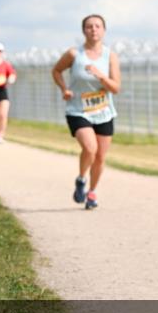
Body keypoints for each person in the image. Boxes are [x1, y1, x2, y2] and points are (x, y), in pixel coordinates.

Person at [52, 14, 122, 210]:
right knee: (90, 149)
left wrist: (101, 76)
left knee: (100, 156)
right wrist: (64, 88)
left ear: (104, 30)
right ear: (84, 31)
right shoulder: (74, 54)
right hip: (78, 110)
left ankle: (92, 192)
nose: (94, 30)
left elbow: (116, 88)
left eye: (98, 26)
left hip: (104, 111)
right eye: (89, 26)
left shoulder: (110, 56)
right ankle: (82, 178)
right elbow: (56, 71)